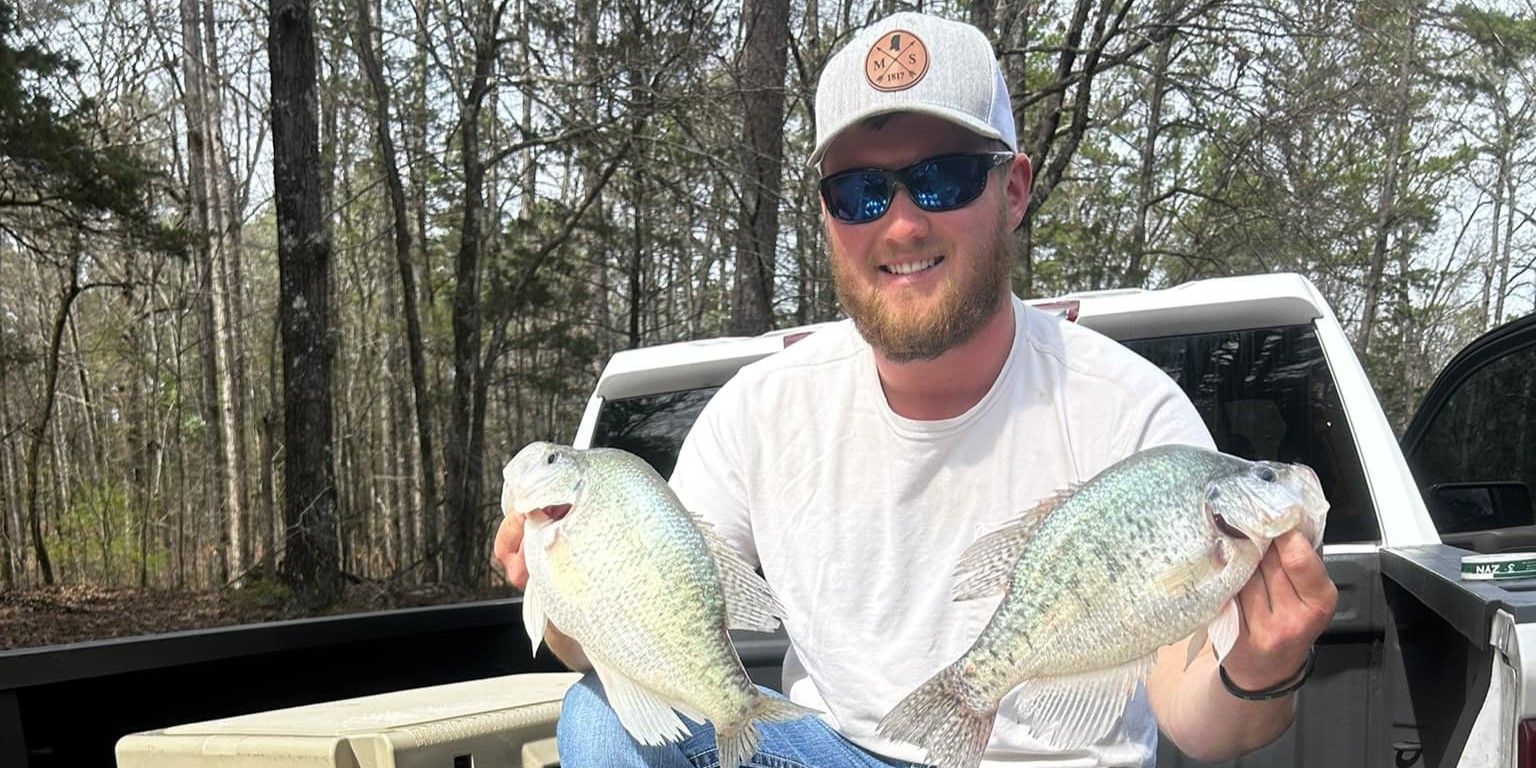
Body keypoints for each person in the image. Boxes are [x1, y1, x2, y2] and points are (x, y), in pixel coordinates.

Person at [493, 10, 1337, 768]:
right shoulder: (760, 409)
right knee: (599, 720)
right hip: (830, 753)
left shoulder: (1135, 412)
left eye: (942, 179)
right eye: (858, 191)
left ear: (1012, 190)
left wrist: (1263, 668)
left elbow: (1197, 719)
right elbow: (658, 636)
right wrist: (570, 590)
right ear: (828, 219)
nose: (899, 223)